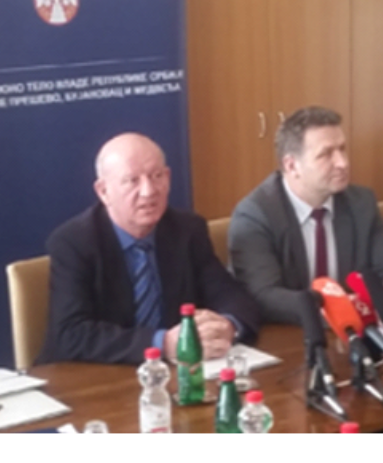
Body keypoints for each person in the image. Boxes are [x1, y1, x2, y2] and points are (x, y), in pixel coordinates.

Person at [38, 133, 260, 366]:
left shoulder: (187, 230)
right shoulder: (74, 242)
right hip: (98, 374)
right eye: (132, 181)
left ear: (168, 178)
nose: (149, 191)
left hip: (176, 373)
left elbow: (231, 294)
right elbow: (70, 334)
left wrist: (227, 326)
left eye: (157, 176)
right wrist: (162, 343)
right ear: (104, 191)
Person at [229, 106, 383, 325]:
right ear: (292, 166)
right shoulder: (256, 215)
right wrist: (345, 307)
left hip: (359, 333)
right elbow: (264, 296)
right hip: (293, 333)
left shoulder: (360, 203)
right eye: (326, 154)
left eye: (342, 149)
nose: (343, 163)